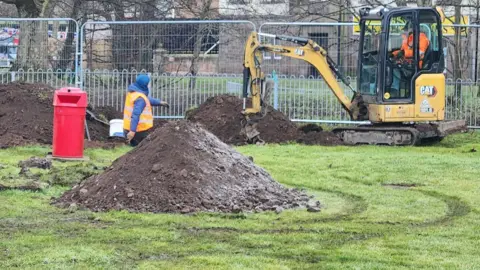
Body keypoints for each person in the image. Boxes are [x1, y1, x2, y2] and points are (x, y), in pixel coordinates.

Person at [123, 74, 169, 146]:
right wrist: (132, 131)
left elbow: (146, 99)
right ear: (145, 85)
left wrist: (159, 102)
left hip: (127, 128)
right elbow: (136, 115)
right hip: (138, 131)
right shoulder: (140, 98)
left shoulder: (132, 92)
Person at [389, 21, 430, 97]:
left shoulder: (422, 39)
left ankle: (394, 91)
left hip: (415, 65)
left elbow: (420, 54)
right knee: (389, 64)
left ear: (412, 29)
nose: (405, 32)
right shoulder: (410, 39)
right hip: (407, 63)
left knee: (392, 69)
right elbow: (402, 50)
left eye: (406, 30)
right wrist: (392, 54)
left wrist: (404, 53)